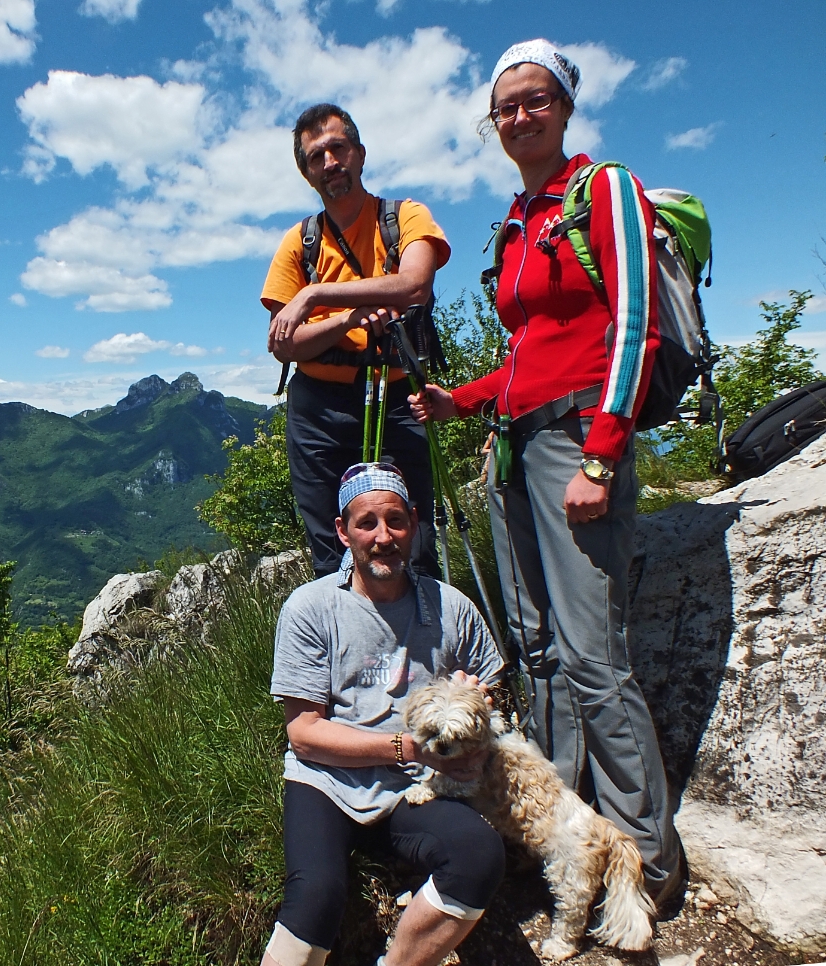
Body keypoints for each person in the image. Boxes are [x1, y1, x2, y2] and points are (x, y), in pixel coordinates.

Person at [409, 39, 684, 902]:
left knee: (594, 657)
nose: (519, 115)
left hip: (575, 440)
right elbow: (529, 351)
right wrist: (467, 401)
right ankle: (561, 830)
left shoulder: (601, 190)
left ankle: (648, 864)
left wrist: (603, 455)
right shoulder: (519, 220)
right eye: (506, 106)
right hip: (514, 442)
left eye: (536, 99)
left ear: (564, 106)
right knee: (536, 651)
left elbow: (631, 323)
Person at [263, 462, 506, 966]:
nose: (382, 537)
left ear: (414, 523)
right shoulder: (311, 608)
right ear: (342, 532)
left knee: (478, 855)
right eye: (366, 524)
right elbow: (304, 735)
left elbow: (493, 690)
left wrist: (477, 704)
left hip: (416, 786)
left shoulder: (450, 607)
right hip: (325, 781)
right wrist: (408, 747)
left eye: (395, 521)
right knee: (316, 895)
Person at [263, 103, 450, 579]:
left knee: (412, 534)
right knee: (331, 543)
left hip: (397, 396)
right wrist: (349, 319)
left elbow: (414, 285)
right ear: (306, 173)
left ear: (360, 154)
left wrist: (315, 295)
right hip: (319, 410)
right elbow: (286, 344)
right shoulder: (299, 242)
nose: (329, 163)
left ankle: (424, 644)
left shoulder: (404, 216)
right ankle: (349, 643)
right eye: (315, 157)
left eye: (337, 148)